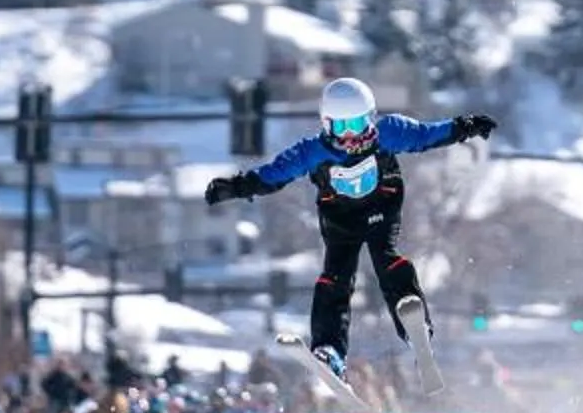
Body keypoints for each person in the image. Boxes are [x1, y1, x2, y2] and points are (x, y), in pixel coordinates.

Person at [203, 78, 495, 380]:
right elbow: (274, 174)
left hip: (381, 207)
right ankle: (330, 349)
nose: (351, 136)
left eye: (358, 124)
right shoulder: (312, 151)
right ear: (326, 125)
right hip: (340, 220)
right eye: (342, 128)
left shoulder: (389, 132)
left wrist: (466, 126)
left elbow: (427, 135)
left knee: (388, 260)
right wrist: (237, 186)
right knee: (335, 277)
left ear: (371, 117)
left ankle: (412, 321)